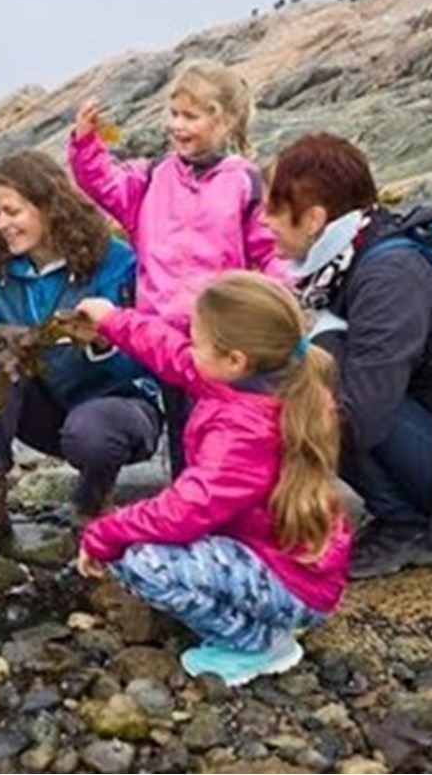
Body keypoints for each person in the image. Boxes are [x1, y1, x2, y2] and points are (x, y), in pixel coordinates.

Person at [261, 132, 432, 579]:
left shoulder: (388, 276)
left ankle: (415, 527)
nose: (263, 221)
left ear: (313, 218)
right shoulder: (360, 254)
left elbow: (364, 415)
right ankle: (405, 514)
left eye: (272, 209)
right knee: (312, 371)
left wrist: (267, 439)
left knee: (309, 388)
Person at [73, 272, 351, 686]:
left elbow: (186, 509)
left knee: (144, 562)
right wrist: (113, 320)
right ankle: (263, 616)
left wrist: (104, 533)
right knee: (149, 544)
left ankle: (254, 644)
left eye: (199, 340)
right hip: (281, 556)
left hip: (293, 582)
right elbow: (172, 353)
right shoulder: (262, 380)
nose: (190, 346)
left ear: (235, 359)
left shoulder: (244, 430)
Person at [69, 59, 291, 474]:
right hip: (159, 334)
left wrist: (276, 313)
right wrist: (85, 144)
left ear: (223, 122)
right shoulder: (152, 176)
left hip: (220, 337)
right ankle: (186, 500)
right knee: (180, 431)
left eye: (190, 116)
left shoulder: (245, 183)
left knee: (216, 427)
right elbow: (103, 184)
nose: (177, 125)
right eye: (173, 113)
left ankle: (217, 502)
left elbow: (269, 253)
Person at [0, 150, 163, 545]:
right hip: (45, 407)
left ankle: (93, 502)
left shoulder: (117, 262)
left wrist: (103, 341)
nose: (2, 224)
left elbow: (153, 353)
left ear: (49, 205)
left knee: (92, 432)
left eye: (12, 211)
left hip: (120, 408)